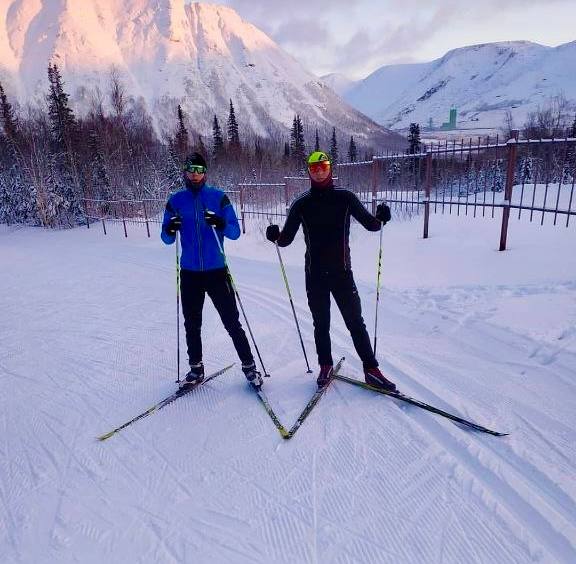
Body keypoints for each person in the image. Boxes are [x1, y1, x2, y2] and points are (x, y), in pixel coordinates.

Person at [266, 151, 396, 391]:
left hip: (342, 273)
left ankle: (371, 370)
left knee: (355, 322)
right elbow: (285, 239)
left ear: (330, 168)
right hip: (315, 275)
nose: (319, 172)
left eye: (323, 167)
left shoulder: (345, 198)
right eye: (314, 168)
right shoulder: (302, 204)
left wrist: (381, 218)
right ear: (309, 172)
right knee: (321, 323)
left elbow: (371, 225)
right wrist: (275, 235)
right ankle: (325, 366)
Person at [161, 152, 263, 388]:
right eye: (191, 170)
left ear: (205, 173)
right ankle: (196, 369)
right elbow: (166, 238)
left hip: (216, 271)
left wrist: (220, 223)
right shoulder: (176, 200)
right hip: (189, 273)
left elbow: (235, 232)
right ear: (185, 173)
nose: (195, 175)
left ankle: (249, 367)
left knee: (232, 322)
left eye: (199, 170)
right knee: (191, 323)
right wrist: (171, 228)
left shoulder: (218, 197)